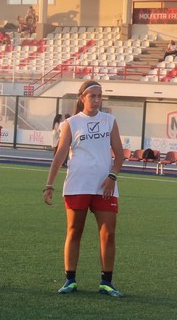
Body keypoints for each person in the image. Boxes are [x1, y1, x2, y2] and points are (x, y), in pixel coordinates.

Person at [44, 80, 126, 297]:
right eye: (93, 96)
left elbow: (120, 154)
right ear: (82, 98)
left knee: (108, 234)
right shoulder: (71, 123)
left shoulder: (110, 121)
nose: (97, 100)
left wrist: (112, 176)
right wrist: (49, 184)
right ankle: (70, 279)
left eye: (100, 96)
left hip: (105, 187)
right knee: (74, 231)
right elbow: (60, 155)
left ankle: (106, 282)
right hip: (78, 185)